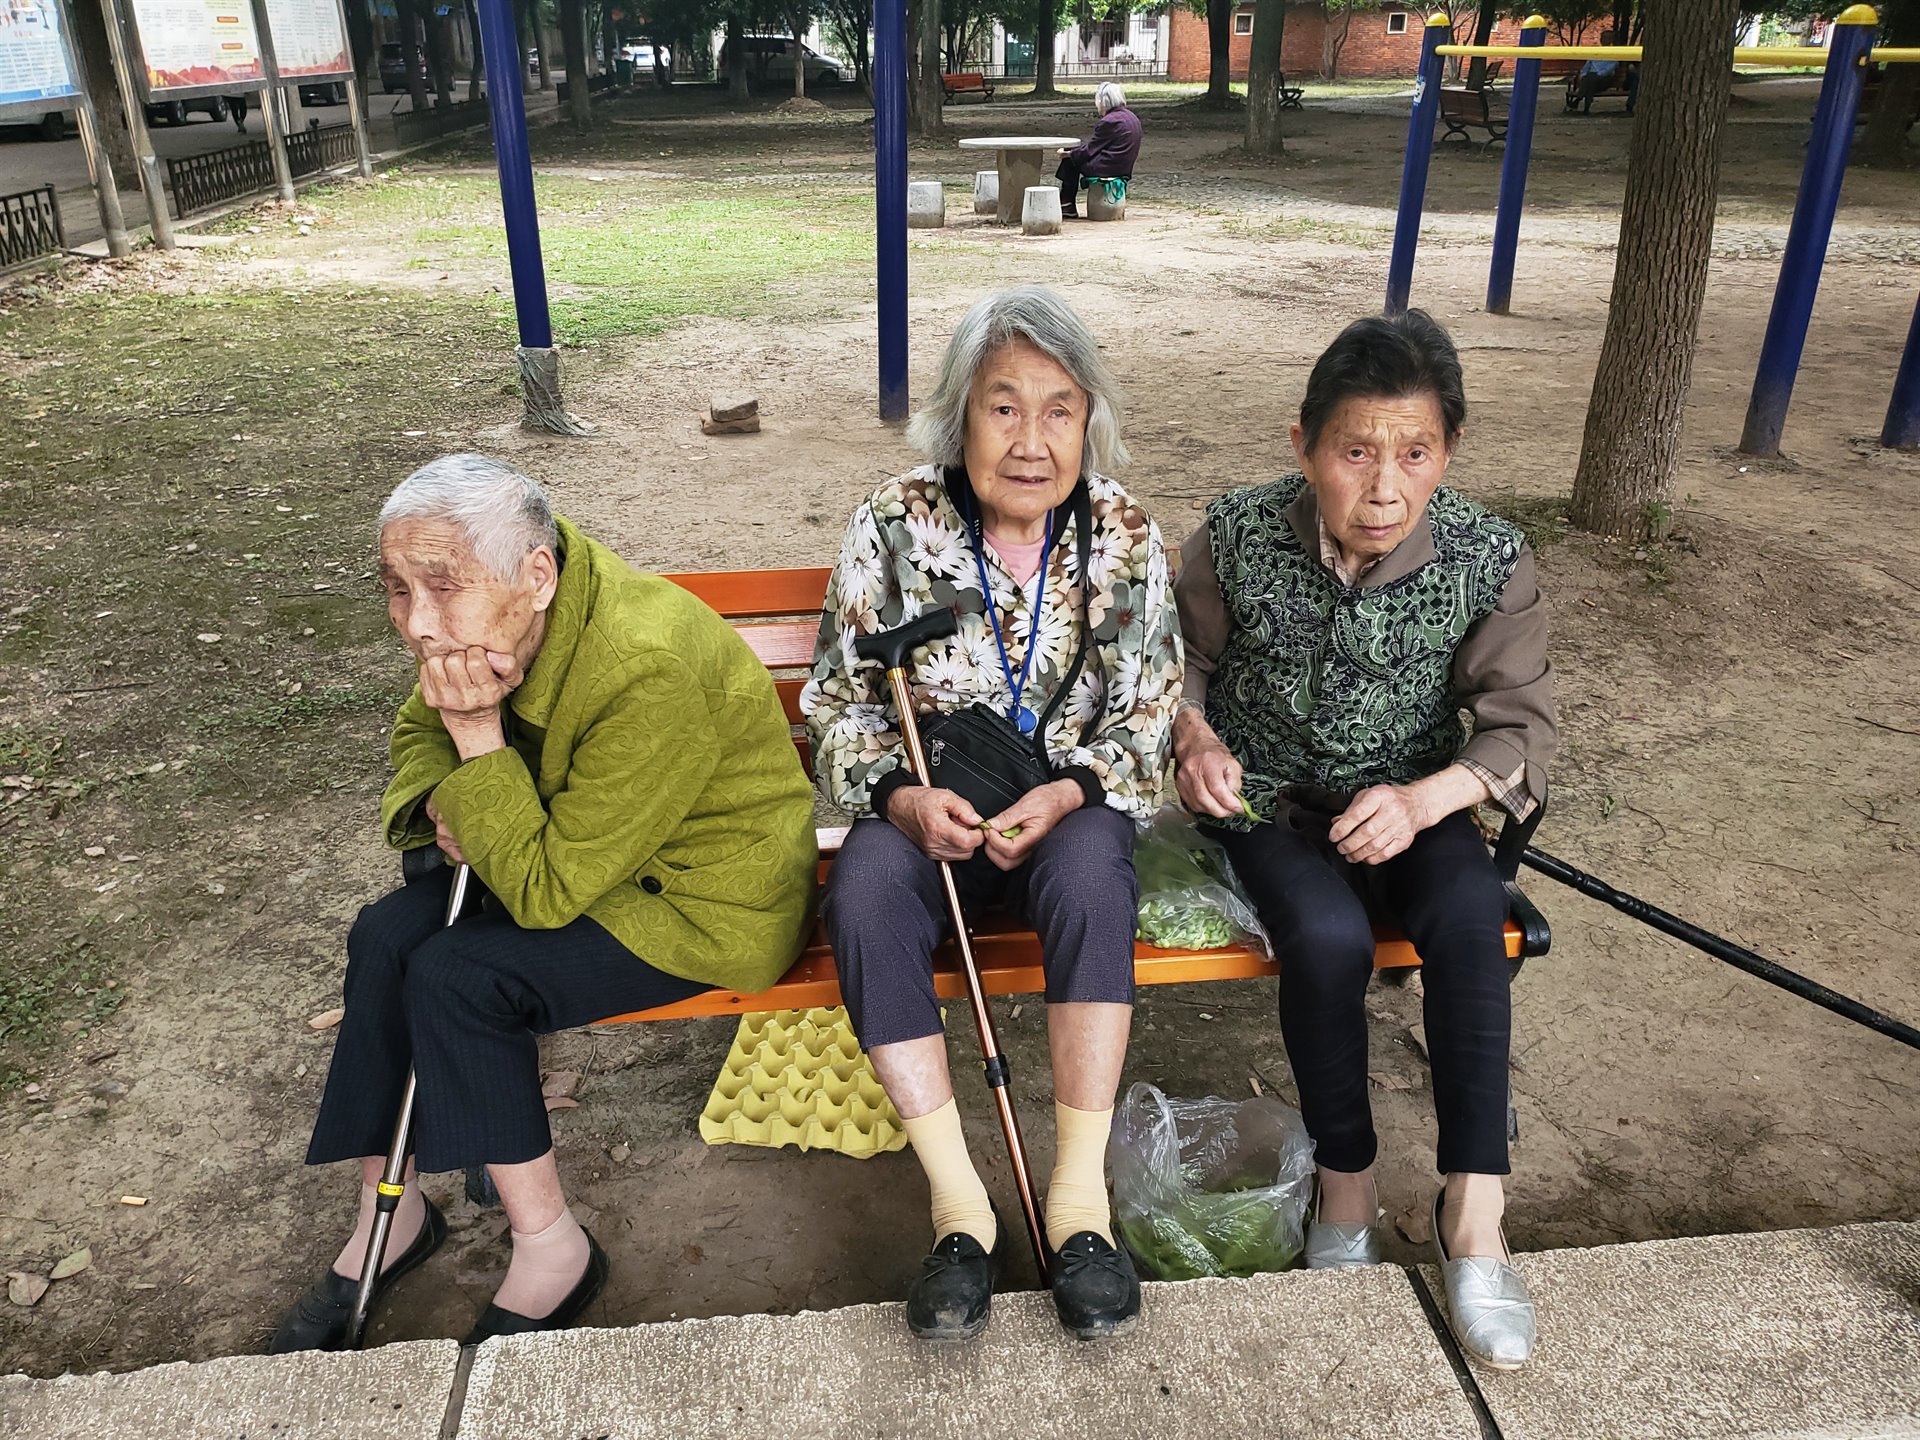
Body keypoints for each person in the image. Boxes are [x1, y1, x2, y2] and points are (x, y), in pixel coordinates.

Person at [270, 454, 817, 1352]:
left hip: (703, 901)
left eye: (441, 586)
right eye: (396, 589)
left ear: (537, 574)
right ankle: (389, 1218)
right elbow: (420, 740)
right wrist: (453, 795)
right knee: (384, 937)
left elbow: (546, 891)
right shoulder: (483, 629)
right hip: (566, 855)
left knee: (460, 975)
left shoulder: (645, 664)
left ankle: (553, 1247)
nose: (418, 624)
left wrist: (479, 744)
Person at [1171, 310, 1554, 1370]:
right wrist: (1194, 735)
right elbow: (1180, 663)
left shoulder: (1486, 558)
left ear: (1449, 453)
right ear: (1303, 445)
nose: (1384, 487)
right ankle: (1346, 1192)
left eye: (1415, 453)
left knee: (1473, 914)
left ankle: (1475, 1219)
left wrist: (1431, 799)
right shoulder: (1239, 534)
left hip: (1413, 801)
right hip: (1272, 805)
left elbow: (1520, 725)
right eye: (1355, 452)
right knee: (1329, 939)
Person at [803, 285, 1182, 1342]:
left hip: (1069, 808)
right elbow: (834, 699)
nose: (1031, 439)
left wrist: (1068, 790)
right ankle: (960, 1211)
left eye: (1059, 409)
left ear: (1088, 422)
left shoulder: (1125, 534)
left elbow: (1150, 710)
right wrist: (902, 797)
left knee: (1093, 877)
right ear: (959, 415)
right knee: (869, 890)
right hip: (935, 806)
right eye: (1003, 407)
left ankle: (1078, 1211)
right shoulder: (893, 523)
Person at [1056, 82, 1141, 220]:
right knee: (1073, 155)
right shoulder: (1131, 117)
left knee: (1071, 160)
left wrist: (1069, 153)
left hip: (1109, 167)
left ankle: (1067, 204)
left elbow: (1091, 149)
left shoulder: (1109, 121)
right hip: (1123, 165)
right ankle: (1066, 203)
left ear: (1102, 101)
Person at [1572, 32, 1637, 115]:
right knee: (1591, 80)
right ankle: (1585, 108)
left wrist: (1597, 75)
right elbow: (1587, 66)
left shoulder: (1614, 53)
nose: (1604, 40)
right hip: (1591, 80)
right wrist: (1584, 75)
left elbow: (1610, 69)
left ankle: (1578, 99)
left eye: (1607, 38)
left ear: (1611, 40)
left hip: (1605, 80)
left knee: (1591, 78)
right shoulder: (1595, 52)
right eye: (1603, 38)